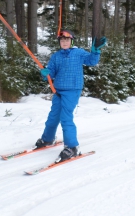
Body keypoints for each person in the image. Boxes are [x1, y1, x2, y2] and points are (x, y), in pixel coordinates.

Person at [35, 29, 107, 162]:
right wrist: (46, 73)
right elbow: (51, 72)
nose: (64, 42)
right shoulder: (56, 56)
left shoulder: (78, 53)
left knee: (65, 117)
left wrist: (95, 51)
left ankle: (72, 147)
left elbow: (92, 61)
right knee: (53, 116)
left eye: (67, 40)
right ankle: (47, 139)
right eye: (62, 40)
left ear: (71, 41)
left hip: (73, 90)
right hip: (58, 90)